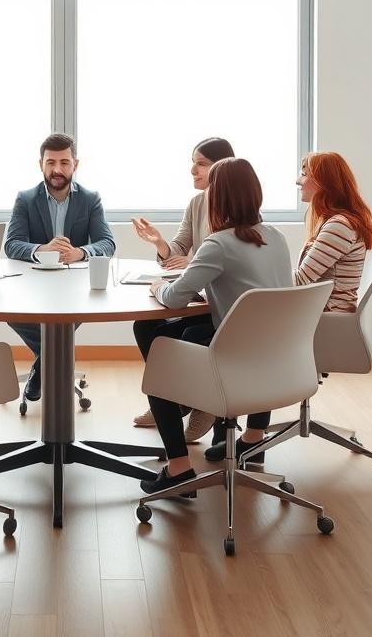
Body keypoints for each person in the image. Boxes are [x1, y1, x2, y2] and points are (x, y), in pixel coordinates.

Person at [203, 150, 372, 464]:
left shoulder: (338, 226)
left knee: (247, 333)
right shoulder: (336, 221)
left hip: (325, 323)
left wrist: (250, 277)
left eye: (304, 174)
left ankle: (240, 431)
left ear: (323, 182)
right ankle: (251, 437)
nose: (298, 181)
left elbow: (299, 281)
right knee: (255, 328)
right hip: (323, 316)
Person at [139, 157, 292, 495]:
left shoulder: (219, 243)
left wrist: (157, 287)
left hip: (235, 362)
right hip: (279, 359)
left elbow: (174, 298)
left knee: (159, 356)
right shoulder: (276, 237)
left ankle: (179, 467)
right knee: (176, 333)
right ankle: (249, 436)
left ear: (217, 199)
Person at [129, 137, 235, 442]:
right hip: (201, 296)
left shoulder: (238, 208)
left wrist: (192, 263)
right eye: (193, 162)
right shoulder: (197, 204)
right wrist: (160, 243)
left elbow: (222, 257)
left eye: (201, 163)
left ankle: (197, 402)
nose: (193, 170)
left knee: (185, 333)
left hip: (223, 303)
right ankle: (170, 400)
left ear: (222, 167)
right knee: (145, 326)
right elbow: (179, 249)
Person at [4, 133, 116, 400]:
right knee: (10, 312)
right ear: (40, 164)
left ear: (75, 164)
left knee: (70, 315)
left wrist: (80, 252)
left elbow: (107, 243)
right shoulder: (26, 199)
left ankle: (41, 367)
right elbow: (12, 244)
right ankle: (52, 360)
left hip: (74, 286)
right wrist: (42, 250)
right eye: (50, 162)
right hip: (33, 284)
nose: (57, 169)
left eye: (64, 162)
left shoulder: (90, 199)